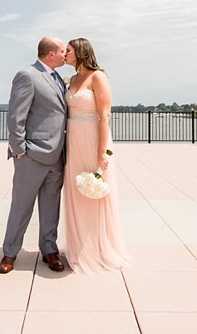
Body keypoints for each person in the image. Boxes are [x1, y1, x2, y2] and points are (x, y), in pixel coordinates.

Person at [0, 37, 68, 274]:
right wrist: (19, 151)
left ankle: (49, 249)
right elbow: (15, 115)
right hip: (31, 155)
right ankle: (10, 252)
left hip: (57, 156)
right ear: (50, 54)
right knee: (21, 206)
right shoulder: (27, 75)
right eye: (62, 50)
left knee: (51, 206)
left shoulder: (58, 78)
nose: (65, 54)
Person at [63, 37, 131, 274]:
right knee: (75, 190)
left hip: (93, 138)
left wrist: (103, 152)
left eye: (68, 50)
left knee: (94, 192)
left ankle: (99, 248)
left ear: (80, 52)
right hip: (73, 139)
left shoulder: (98, 77)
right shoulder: (72, 79)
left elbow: (104, 117)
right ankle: (77, 247)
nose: (64, 53)